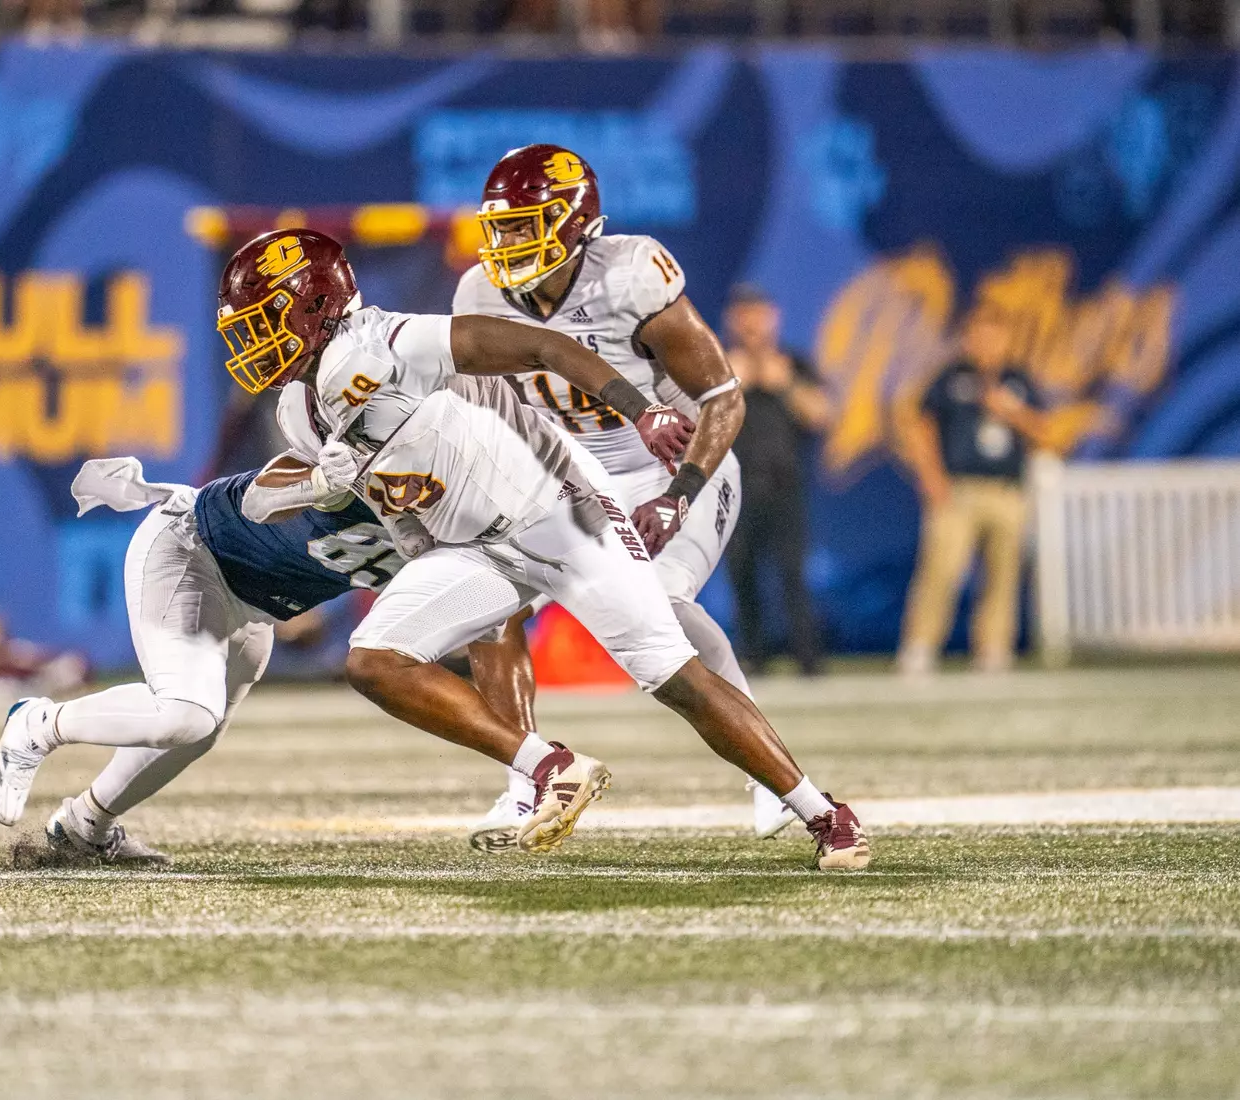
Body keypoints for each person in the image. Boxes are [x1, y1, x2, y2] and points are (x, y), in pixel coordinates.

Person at [228, 228, 870, 869]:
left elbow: (544, 345)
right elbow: (269, 498)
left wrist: (641, 411)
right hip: (479, 545)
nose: (253, 342)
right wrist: (322, 484)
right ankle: (548, 768)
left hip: (564, 513)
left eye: (262, 321)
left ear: (315, 305)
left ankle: (823, 812)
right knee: (374, 662)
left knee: (674, 677)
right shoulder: (298, 412)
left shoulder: (393, 342)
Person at [450, 145, 793, 848]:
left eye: (523, 225)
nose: (507, 242)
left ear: (574, 222)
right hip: (566, 477)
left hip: (672, 462)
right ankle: (527, 783)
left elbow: (723, 398)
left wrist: (680, 494)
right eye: (501, 227)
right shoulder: (477, 293)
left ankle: (770, 774)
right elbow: (487, 408)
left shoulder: (631, 274)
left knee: (662, 604)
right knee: (491, 608)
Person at [0, 456, 406, 862]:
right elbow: (266, 492)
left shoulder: (441, 529)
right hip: (193, 547)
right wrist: (320, 480)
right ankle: (38, 724)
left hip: (256, 602)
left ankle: (82, 827)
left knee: (202, 729)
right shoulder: (382, 462)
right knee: (186, 713)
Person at [897, 304, 1053, 675]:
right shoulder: (951, 378)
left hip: (1005, 489)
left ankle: (994, 649)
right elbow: (922, 426)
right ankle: (920, 646)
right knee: (941, 569)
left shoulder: (1018, 379)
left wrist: (1011, 411)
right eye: (978, 335)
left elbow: (1045, 431)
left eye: (993, 336)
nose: (986, 343)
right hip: (958, 489)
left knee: (1003, 573)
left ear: (1006, 339)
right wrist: (931, 476)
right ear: (967, 339)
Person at [722, 283, 832, 676]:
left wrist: (785, 384)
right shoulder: (716, 364)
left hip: (785, 484)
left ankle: (808, 658)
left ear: (774, 318)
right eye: (743, 314)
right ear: (732, 320)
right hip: (734, 486)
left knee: (793, 573)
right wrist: (728, 385)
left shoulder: (795, 364)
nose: (751, 323)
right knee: (742, 573)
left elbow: (821, 414)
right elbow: (691, 416)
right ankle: (753, 656)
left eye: (758, 313)